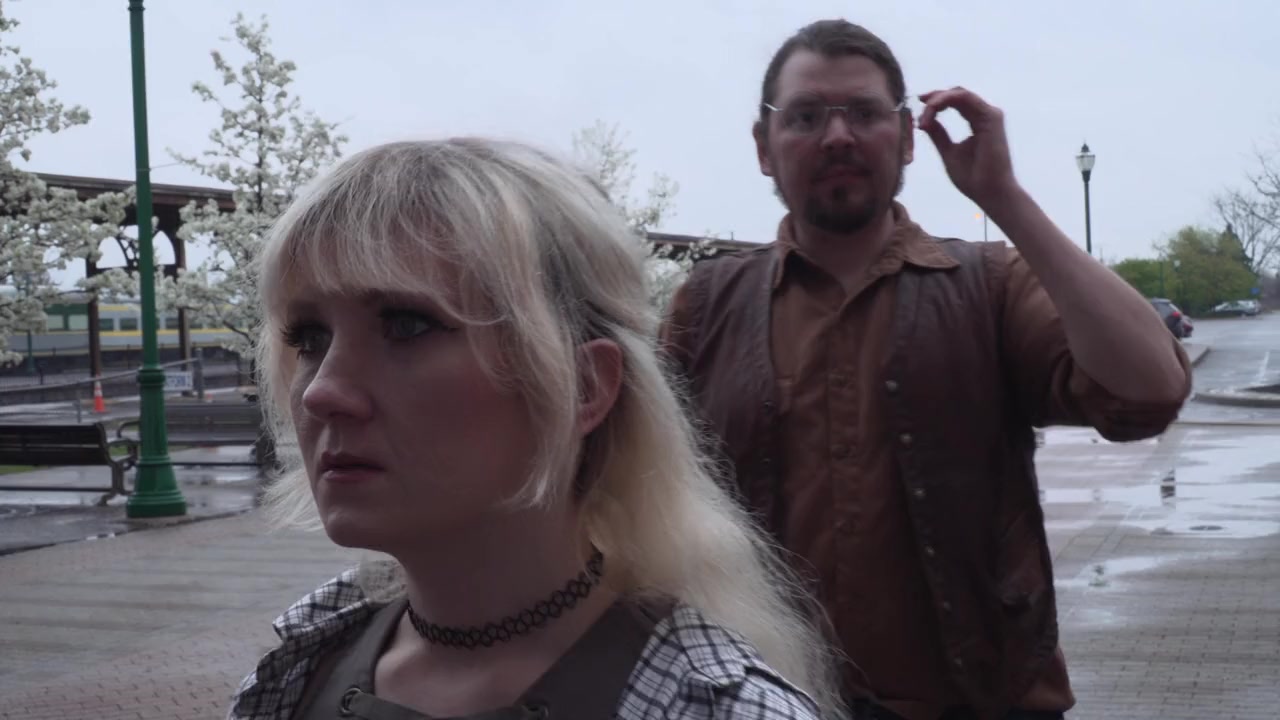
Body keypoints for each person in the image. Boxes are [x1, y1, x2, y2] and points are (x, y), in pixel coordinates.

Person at [660, 19, 1191, 720]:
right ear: (764, 146)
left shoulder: (991, 286)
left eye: (864, 113)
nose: (838, 136)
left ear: (909, 138)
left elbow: (1151, 391)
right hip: (761, 702)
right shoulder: (706, 306)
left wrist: (1003, 196)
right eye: (806, 116)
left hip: (985, 703)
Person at [227, 138, 845, 720]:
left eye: (406, 326)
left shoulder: (712, 706)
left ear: (583, 386)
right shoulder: (299, 669)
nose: (321, 391)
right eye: (309, 338)